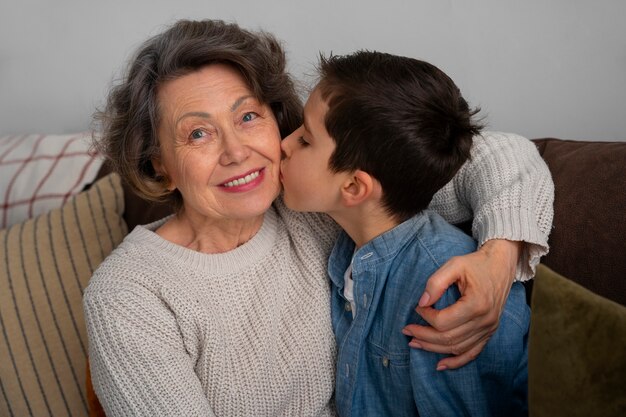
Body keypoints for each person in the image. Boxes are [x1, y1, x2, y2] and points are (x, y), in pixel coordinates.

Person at [83, 19, 553, 416]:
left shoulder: (316, 201)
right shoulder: (127, 296)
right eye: (199, 133)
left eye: (248, 117)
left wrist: (499, 257)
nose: (237, 152)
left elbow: (495, 152)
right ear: (158, 164)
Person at [280, 50, 530, 417]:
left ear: (353, 187)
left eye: (305, 139)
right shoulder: (347, 249)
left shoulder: (445, 295)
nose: (285, 143)